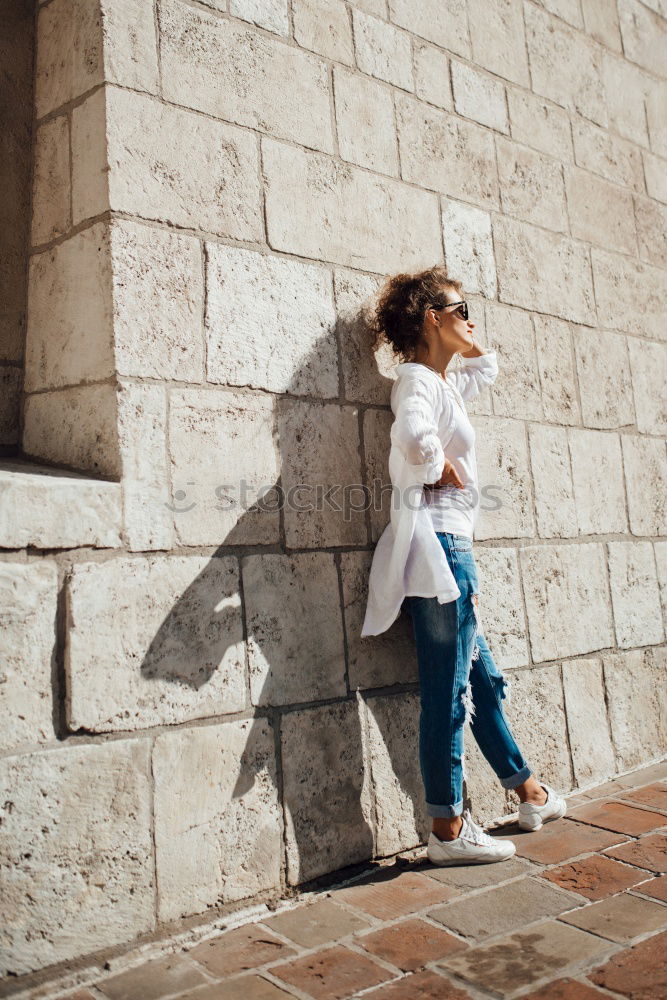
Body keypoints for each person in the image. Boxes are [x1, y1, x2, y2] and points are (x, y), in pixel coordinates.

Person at [361, 266, 567, 866]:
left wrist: (471, 341)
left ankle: (528, 791)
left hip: (455, 546)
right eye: (461, 307)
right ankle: (447, 828)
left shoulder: (443, 382)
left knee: (480, 683)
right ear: (431, 317)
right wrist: (436, 465)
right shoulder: (418, 380)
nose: (471, 318)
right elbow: (412, 432)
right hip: (443, 550)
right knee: (449, 691)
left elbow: (484, 369)